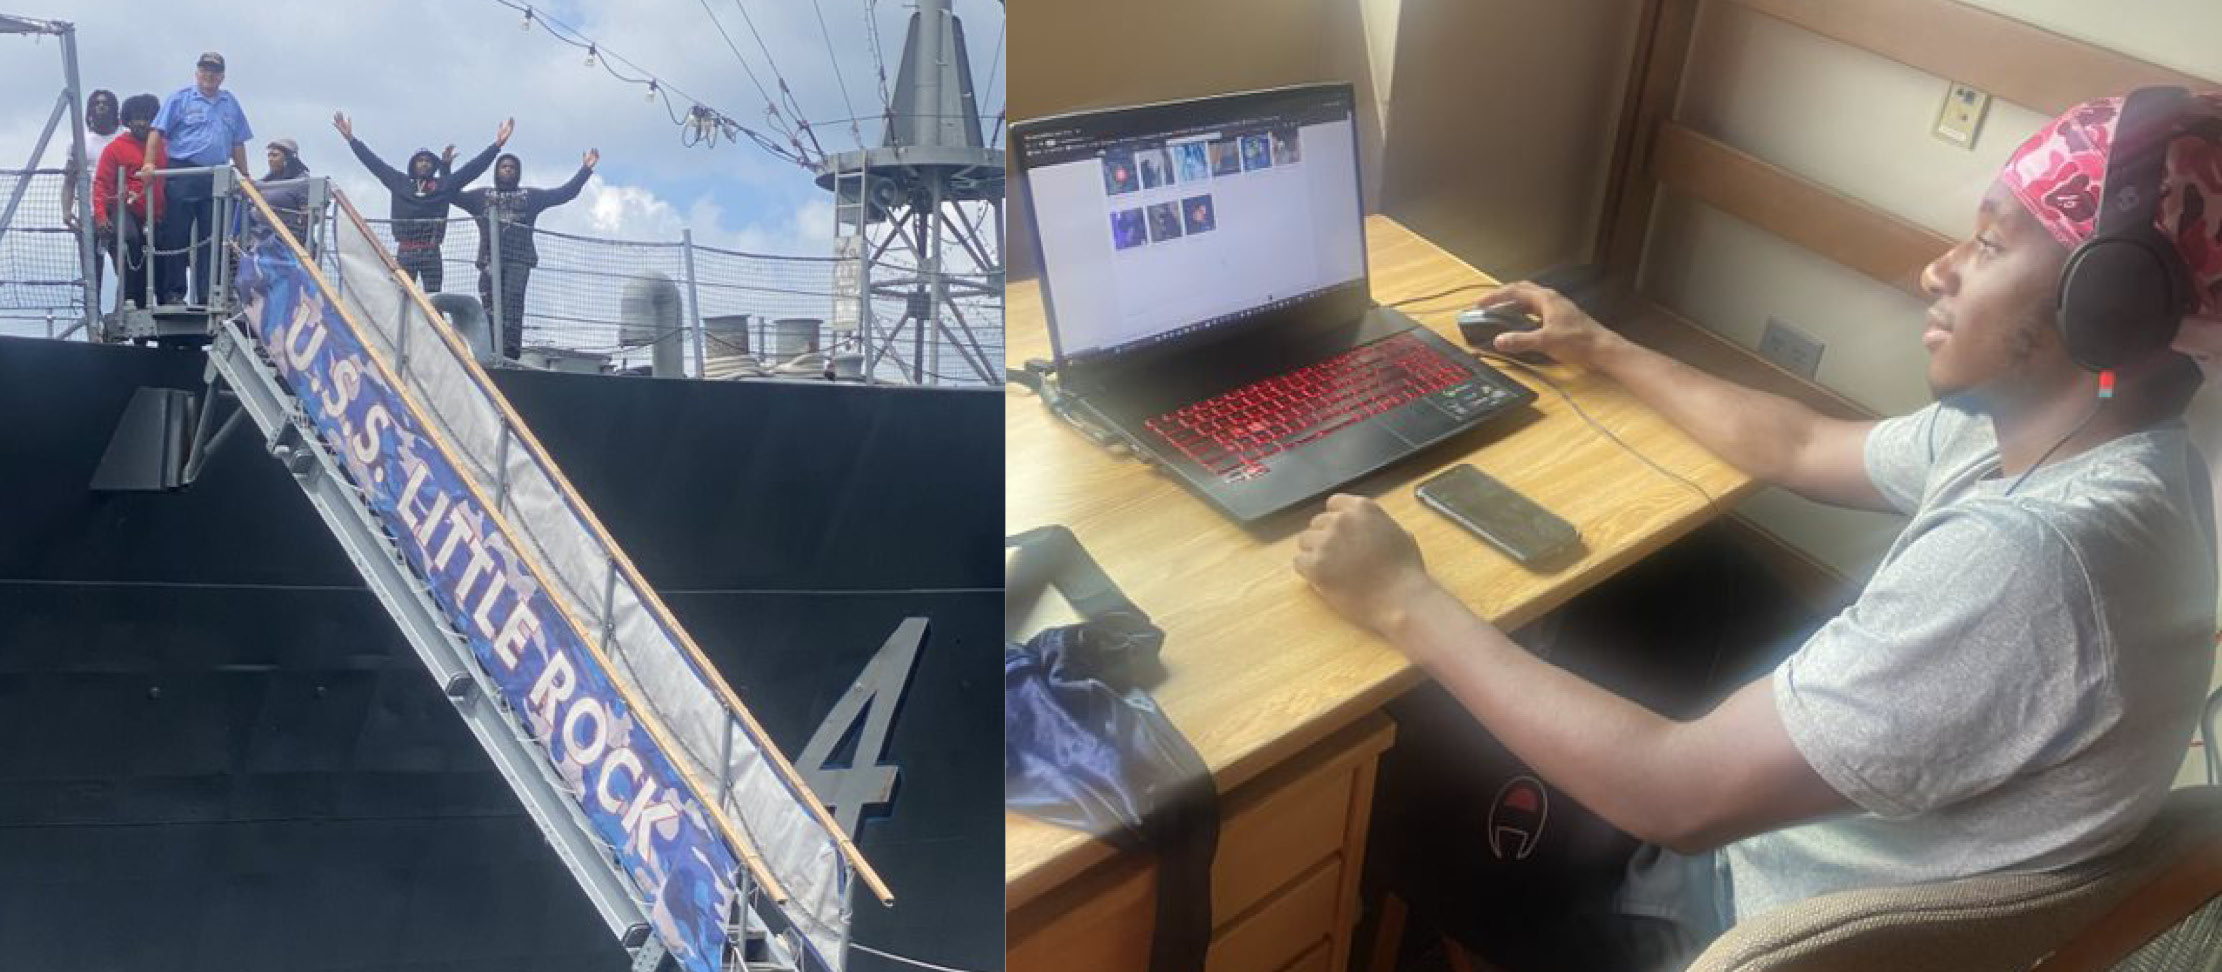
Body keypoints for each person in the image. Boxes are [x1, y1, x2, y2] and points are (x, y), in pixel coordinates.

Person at [1294, 87, 2222, 968]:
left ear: (2106, 302)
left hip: (1708, 913)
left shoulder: (2031, 562)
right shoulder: (2098, 450)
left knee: (1386, 759)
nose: (1936, 269)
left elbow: (1673, 793)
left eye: (1987, 244)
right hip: (1828, 840)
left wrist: (1403, 599)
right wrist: (1599, 346)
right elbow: (1802, 442)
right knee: (1673, 580)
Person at [333, 112, 512, 293]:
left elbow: (472, 169)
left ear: (433, 165)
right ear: (413, 164)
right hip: (405, 252)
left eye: (427, 161)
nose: (424, 164)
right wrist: (351, 139)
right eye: (420, 161)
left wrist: (497, 145)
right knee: (402, 298)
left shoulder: (443, 186)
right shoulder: (400, 183)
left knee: (434, 300)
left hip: (431, 252)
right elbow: (374, 163)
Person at [449, 148, 597, 358]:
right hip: (489, 261)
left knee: (512, 306)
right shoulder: (481, 197)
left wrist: (585, 170)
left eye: (512, 167)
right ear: (497, 171)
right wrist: (446, 167)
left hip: (518, 261)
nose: (508, 170)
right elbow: (451, 193)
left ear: (517, 172)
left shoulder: (530, 197)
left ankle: (510, 353)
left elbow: (564, 193)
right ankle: (489, 351)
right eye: (503, 166)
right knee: (489, 308)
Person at [142, 51, 252, 306]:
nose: (209, 75)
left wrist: (245, 175)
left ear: (222, 76)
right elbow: (157, 132)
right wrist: (148, 163)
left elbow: (238, 141)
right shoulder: (180, 99)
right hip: (184, 171)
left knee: (212, 237)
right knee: (176, 235)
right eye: (205, 69)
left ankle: (206, 292)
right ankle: (173, 293)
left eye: (214, 71)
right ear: (197, 73)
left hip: (216, 175)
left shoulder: (230, 103)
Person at [90, 93, 163, 313]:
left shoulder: (164, 145)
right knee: (131, 240)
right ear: (127, 121)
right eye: (136, 118)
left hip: (156, 212)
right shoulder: (115, 148)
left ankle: (164, 299)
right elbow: (101, 184)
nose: (142, 123)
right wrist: (101, 216)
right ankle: (129, 300)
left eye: (147, 118)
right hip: (125, 208)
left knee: (163, 245)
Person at [255, 138, 314, 247]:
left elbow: (309, 217)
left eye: (275, 155)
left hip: (287, 242)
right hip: (260, 238)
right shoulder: (264, 182)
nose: (270, 159)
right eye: (269, 155)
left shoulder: (301, 182)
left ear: (288, 158)